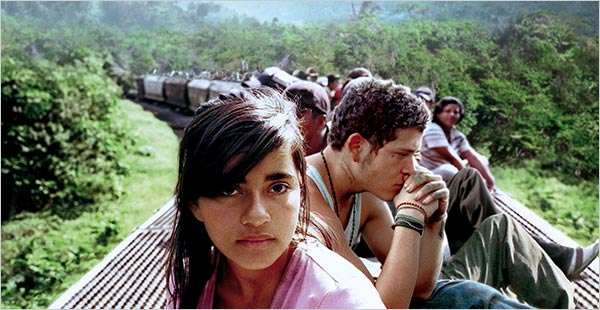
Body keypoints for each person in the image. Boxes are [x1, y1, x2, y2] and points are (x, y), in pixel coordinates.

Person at [305, 78, 573, 308]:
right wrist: (409, 218)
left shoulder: (362, 194)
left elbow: (421, 287)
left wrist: (434, 221)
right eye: (401, 155)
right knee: (467, 295)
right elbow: (382, 306)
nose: (411, 169)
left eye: (415, 155)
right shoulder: (305, 196)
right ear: (356, 147)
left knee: (462, 292)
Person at [165, 88, 385, 309]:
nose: (257, 216)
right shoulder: (189, 278)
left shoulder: (342, 299)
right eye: (228, 190)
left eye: (278, 188)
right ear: (194, 203)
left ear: (301, 187)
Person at [419, 96, 497, 191]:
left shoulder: (456, 135)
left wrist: (490, 182)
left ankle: (483, 189)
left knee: (482, 160)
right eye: (448, 111)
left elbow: (472, 157)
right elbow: (452, 158)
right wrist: (473, 180)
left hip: (445, 176)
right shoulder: (432, 129)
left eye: (456, 112)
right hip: (427, 174)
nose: (452, 115)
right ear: (438, 114)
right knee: (450, 170)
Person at [283, 81, 330, 156]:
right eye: (283, 112)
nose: (287, 119)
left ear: (321, 122)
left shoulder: (339, 157)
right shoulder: (277, 149)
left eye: (296, 115)